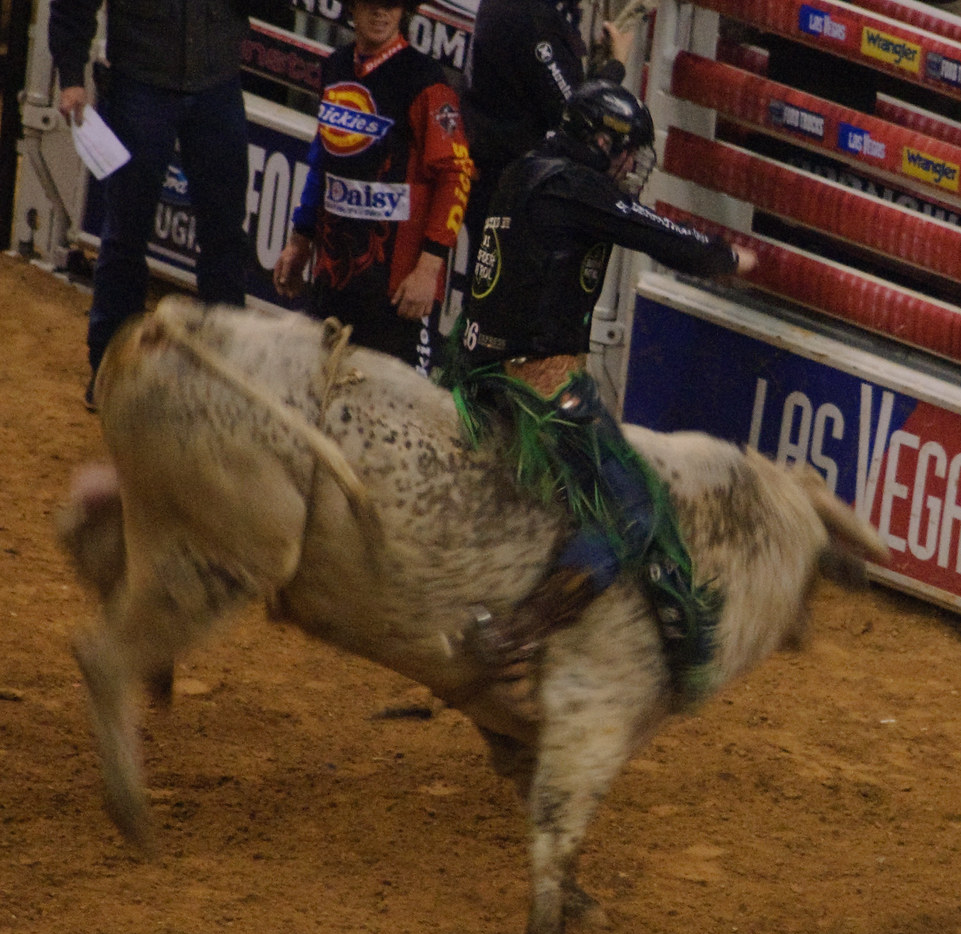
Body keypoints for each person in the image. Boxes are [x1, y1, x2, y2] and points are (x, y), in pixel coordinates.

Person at [446, 80, 758, 699]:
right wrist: (725, 259)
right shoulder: (576, 185)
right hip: (535, 384)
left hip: (471, 364)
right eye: (625, 153)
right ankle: (516, 636)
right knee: (635, 511)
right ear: (600, 142)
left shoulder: (525, 170)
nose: (627, 167)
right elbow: (659, 235)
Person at [49, 0, 252, 412]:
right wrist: (71, 77)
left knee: (225, 236)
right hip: (140, 84)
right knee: (126, 231)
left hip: (215, 84)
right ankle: (110, 372)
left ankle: (228, 376)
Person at [272, 0, 473, 378]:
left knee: (396, 414)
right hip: (333, 279)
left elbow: (456, 174)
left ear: (405, 12)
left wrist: (428, 269)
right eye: (371, 3)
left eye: (392, 5)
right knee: (318, 391)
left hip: (397, 293)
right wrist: (300, 241)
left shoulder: (425, 79)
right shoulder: (335, 66)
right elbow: (323, 161)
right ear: (351, 7)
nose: (381, 14)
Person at [459, 0, 637, 265]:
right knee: (505, 292)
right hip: (512, 187)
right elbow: (576, 111)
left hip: (500, 177)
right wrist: (617, 64)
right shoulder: (529, 15)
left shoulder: (532, 13)